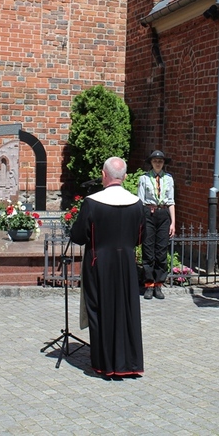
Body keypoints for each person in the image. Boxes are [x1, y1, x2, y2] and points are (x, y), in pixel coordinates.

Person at [70, 157, 145, 378]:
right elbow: (141, 237)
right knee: (127, 309)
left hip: (98, 263)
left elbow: (78, 236)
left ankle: (105, 364)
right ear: (125, 177)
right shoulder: (136, 203)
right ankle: (129, 364)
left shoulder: (92, 202)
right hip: (126, 265)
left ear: (104, 175)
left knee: (99, 310)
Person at [137, 150, 175, 300]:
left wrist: (173, 223)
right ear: (151, 162)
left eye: (160, 161)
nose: (158, 163)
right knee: (148, 250)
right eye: (155, 161)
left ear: (164, 163)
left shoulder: (169, 179)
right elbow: (140, 201)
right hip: (148, 213)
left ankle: (159, 284)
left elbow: (171, 201)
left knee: (161, 251)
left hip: (163, 214)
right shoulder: (144, 179)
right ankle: (148, 284)